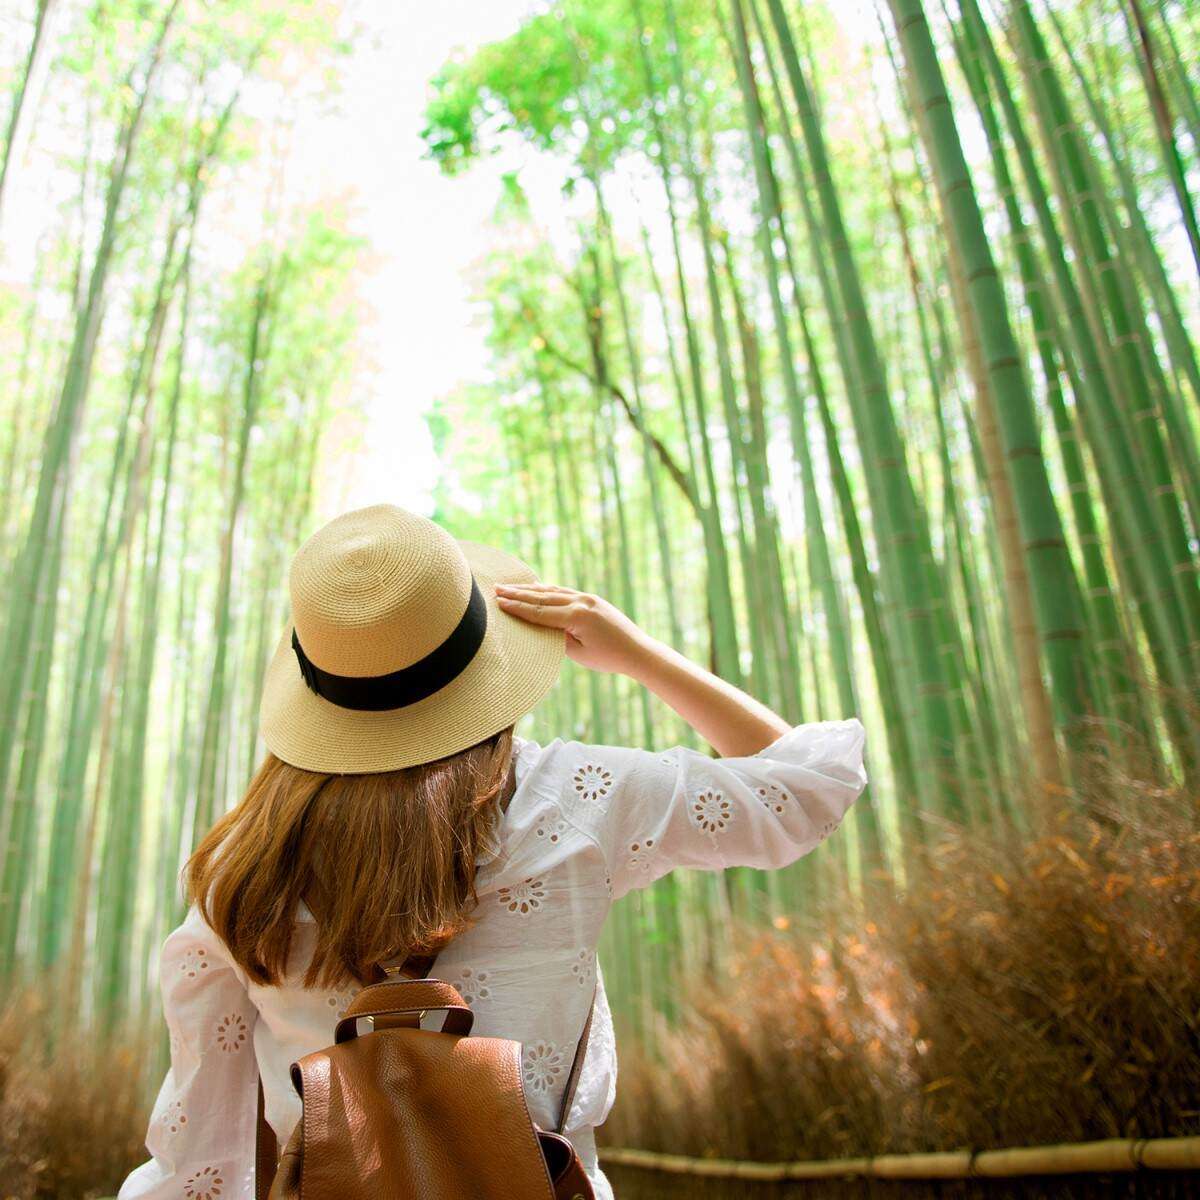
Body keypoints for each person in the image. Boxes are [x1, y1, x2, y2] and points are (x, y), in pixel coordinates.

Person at [117, 503, 867, 1200]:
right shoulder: (577, 798)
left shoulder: (244, 868)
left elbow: (199, 1167)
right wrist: (641, 656)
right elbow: (810, 788)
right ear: (487, 665)